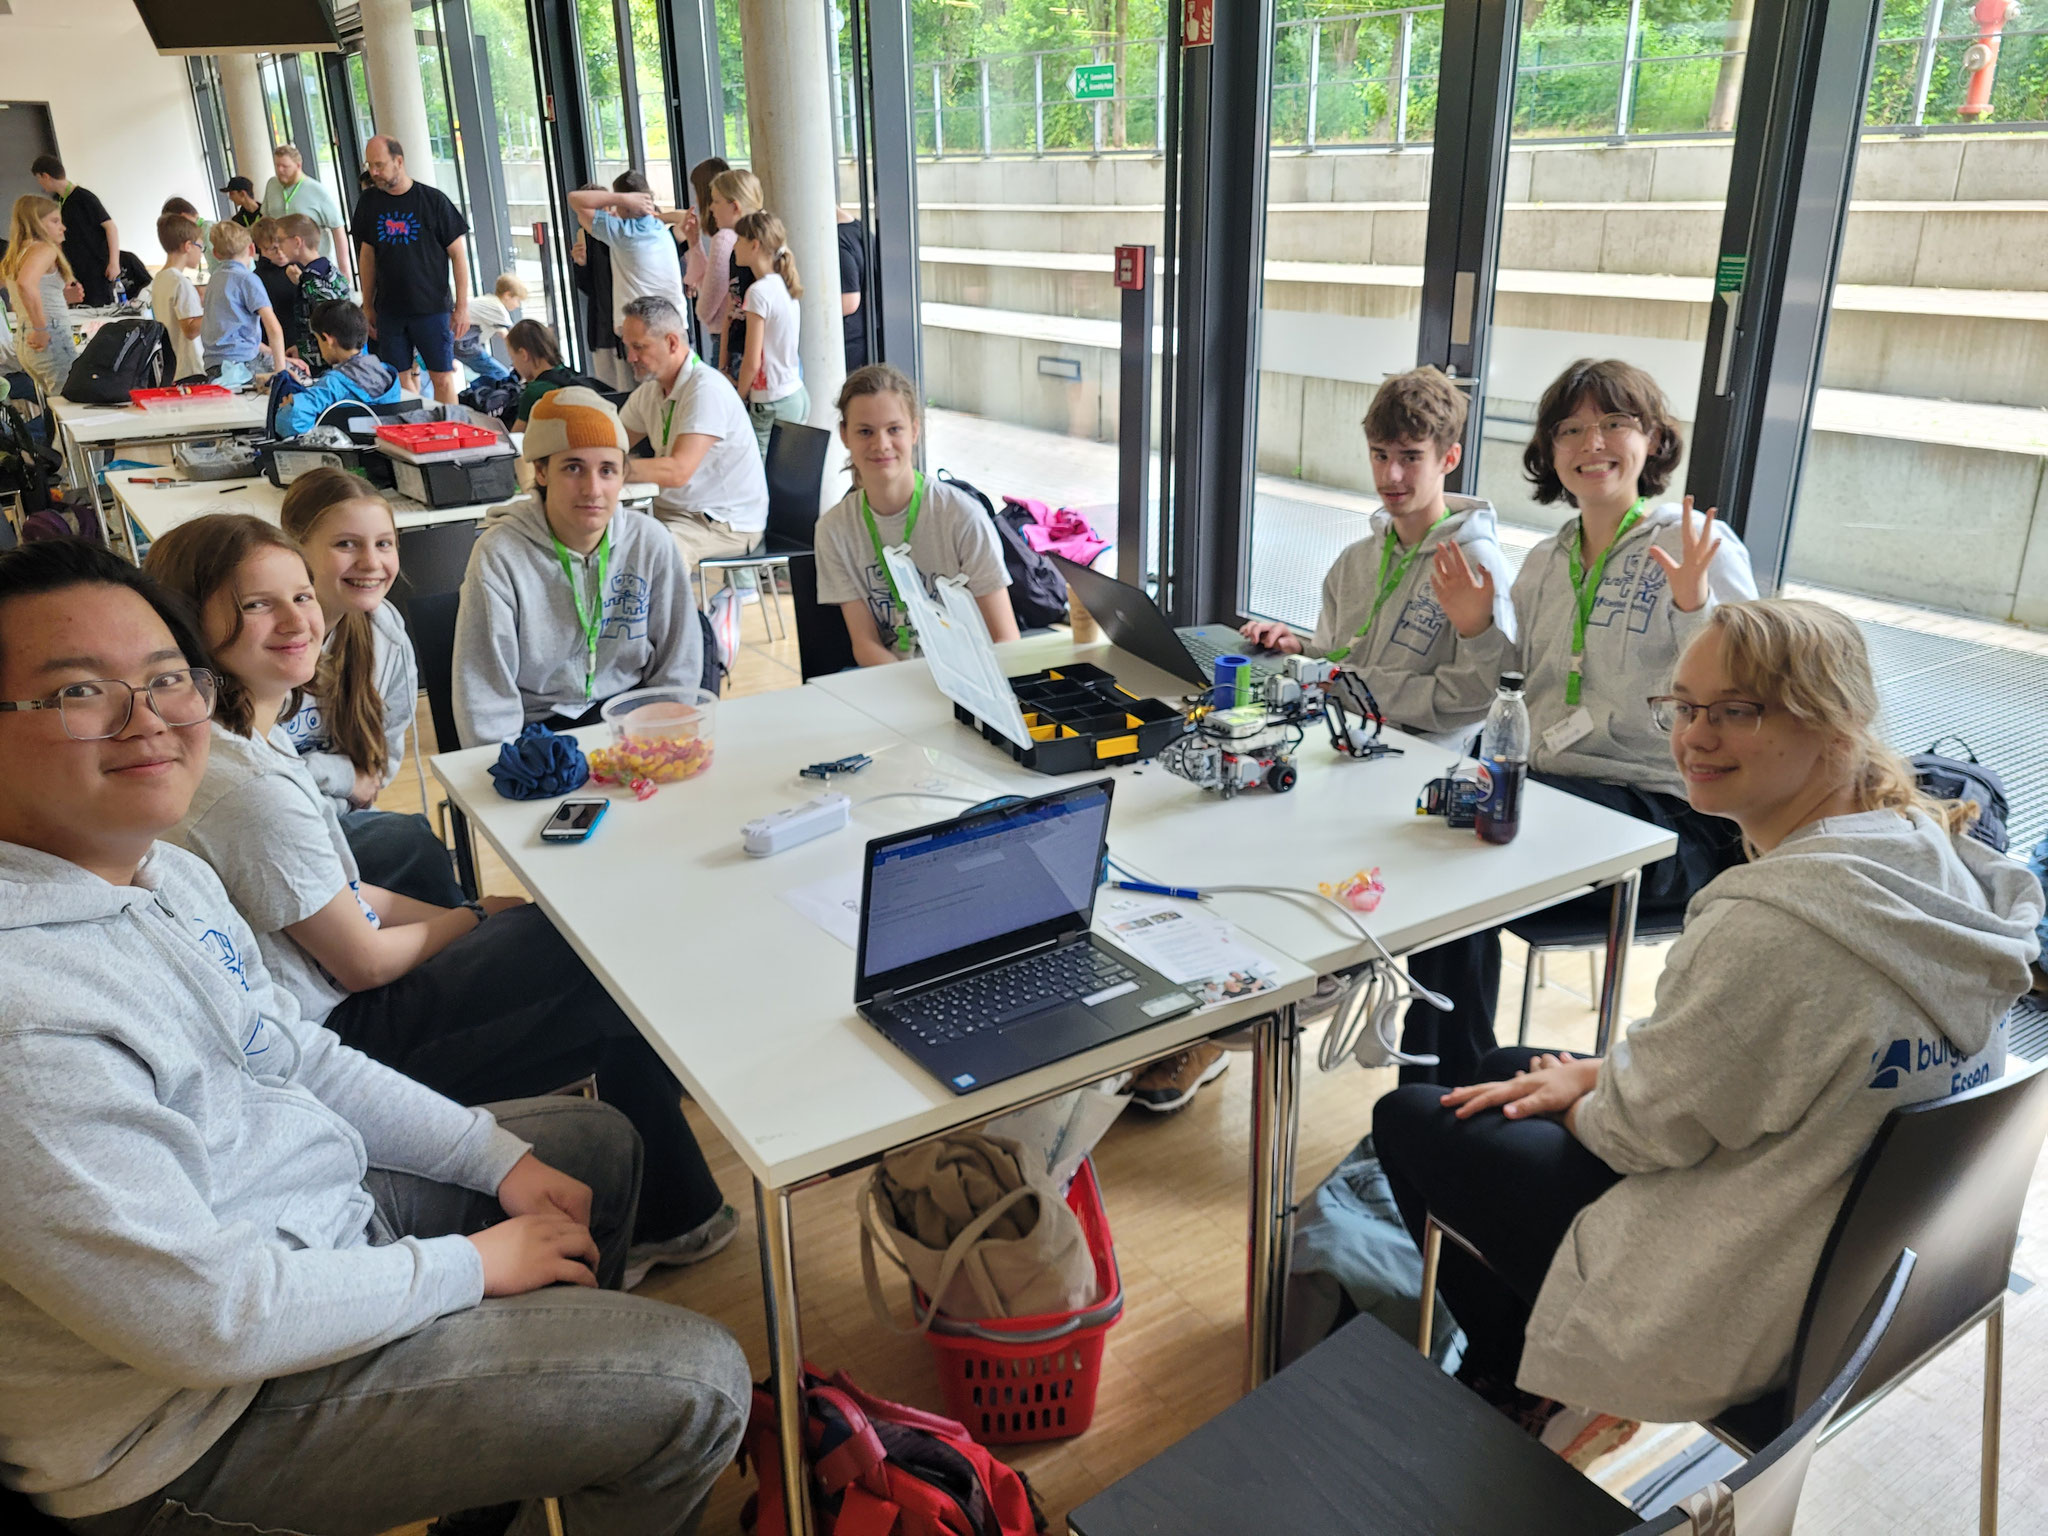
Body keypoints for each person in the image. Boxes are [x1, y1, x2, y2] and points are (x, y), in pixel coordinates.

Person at [0, 536, 749, 1532]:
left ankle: (498, 1476)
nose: (149, 720)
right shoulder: (25, 1016)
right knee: (696, 1389)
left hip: (294, 1221)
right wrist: (469, 1268)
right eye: (79, 692)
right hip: (185, 1425)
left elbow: (293, 1055)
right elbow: (207, 1318)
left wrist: (491, 1155)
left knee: (587, 1151)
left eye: (166, 678)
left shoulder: (160, 873)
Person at [1373, 597, 2042, 1450]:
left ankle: (1525, 1383)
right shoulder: (1930, 854)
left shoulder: (1774, 927)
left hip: (1759, 1300)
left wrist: (1596, 1092)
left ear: (1834, 726)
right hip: (1899, 1270)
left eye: (1736, 711)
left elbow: (1636, 1133)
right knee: (1508, 1068)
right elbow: (1772, 1061)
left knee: (1414, 1116)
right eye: (1684, 707)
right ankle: (1537, 1371)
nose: (1694, 737)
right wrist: (1594, 1076)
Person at [146, 512, 735, 1283]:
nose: (297, 619)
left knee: (502, 909)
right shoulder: (249, 789)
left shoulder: (248, 731)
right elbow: (361, 962)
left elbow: (341, 890)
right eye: (258, 605)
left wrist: (472, 920)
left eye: (301, 595)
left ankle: (672, 1194)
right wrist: (474, 918)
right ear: (190, 622)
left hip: (312, 994)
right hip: (329, 1037)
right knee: (581, 954)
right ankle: (667, 1202)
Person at [1405, 358, 1759, 1089]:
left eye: (1614, 423)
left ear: (1653, 439)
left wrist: (1695, 609)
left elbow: (1747, 695)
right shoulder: (1546, 560)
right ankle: (1445, 1097)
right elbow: (1515, 685)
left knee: (1470, 845)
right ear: (1550, 450)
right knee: (1444, 827)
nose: (1591, 443)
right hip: (1551, 799)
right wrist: (1476, 628)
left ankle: (1444, 1096)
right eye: (1570, 429)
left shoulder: (1696, 546)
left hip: (1671, 815)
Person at [1240, 367, 1515, 749]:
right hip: (1337, 737)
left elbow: (1475, 697)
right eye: (1380, 455)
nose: (1391, 475)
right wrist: (1301, 652)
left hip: (1421, 756)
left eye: (1411, 457)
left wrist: (1346, 685)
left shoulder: (1476, 566)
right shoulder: (1354, 560)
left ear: (1449, 459)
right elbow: (1339, 660)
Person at [453, 387, 704, 746]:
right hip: (537, 730)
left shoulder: (650, 543)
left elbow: (678, 663)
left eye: (608, 470)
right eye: (573, 468)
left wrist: (666, 737)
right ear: (541, 471)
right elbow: (484, 692)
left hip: (633, 719)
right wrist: (504, 763)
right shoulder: (500, 555)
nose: (593, 489)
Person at [276, 466, 464, 909]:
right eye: (346, 544)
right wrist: (340, 775)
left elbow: (377, 770)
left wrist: (345, 783)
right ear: (295, 548)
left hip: (342, 821)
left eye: (384, 544)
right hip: (275, 829)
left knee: (414, 852)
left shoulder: (385, 635)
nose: (371, 562)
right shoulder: (264, 639)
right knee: (412, 847)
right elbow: (253, 785)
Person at [819, 363, 1018, 667]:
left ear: (914, 430)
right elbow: (865, 643)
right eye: (865, 431)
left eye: (894, 429)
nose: (881, 444)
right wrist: (905, 688)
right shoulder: (833, 529)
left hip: (972, 675)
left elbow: (1005, 639)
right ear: (845, 435)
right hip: (891, 677)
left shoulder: (962, 517)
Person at [616, 295, 769, 584]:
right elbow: (611, 442)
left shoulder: (706, 389)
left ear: (672, 343)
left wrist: (606, 470)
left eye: (639, 347)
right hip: (674, 512)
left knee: (653, 550)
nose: (630, 357)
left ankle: (687, 614)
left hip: (722, 524)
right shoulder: (652, 390)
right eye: (628, 347)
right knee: (604, 536)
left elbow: (677, 471)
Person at [351, 135, 471, 405]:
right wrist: (367, 305)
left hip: (432, 307)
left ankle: (450, 425)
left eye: (380, 165)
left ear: (399, 161)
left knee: (442, 377)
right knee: (398, 379)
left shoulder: (433, 201)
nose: (374, 172)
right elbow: (367, 258)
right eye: (370, 165)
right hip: (389, 309)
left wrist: (462, 306)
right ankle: (414, 425)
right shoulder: (369, 203)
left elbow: (458, 256)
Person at [731, 210, 809, 456]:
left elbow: (752, 361)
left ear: (754, 245)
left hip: (771, 401)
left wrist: (738, 398)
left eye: (739, 239)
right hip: (795, 394)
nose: (734, 246)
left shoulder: (758, 293)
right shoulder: (785, 284)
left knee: (760, 475)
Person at [571, 173, 687, 338]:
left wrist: (621, 199)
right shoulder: (660, 229)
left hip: (643, 329)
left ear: (625, 204)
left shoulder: (623, 232)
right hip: (675, 323)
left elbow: (575, 199)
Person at [271, 300, 402, 441]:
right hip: (381, 448)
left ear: (328, 340)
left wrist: (289, 406)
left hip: (341, 451)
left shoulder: (333, 383)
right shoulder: (387, 375)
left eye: (317, 340)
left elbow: (291, 424)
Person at [1, 195, 83, 398]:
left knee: (56, 400)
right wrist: (40, 328)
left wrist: (61, 297)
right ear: (36, 223)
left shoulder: (16, 255)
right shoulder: (44, 249)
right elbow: (26, 284)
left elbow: (21, 293)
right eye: (55, 221)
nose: (62, 227)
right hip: (49, 335)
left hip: (25, 340)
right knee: (68, 400)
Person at [200, 220, 292, 385]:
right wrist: (281, 372)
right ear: (251, 249)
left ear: (216, 254)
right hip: (243, 364)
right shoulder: (248, 279)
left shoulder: (214, 280)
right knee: (297, 376)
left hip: (214, 365)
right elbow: (274, 329)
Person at [30, 155, 117, 306]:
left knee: (99, 306)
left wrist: (114, 262)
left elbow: (110, 227)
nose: (39, 183)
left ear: (46, 176)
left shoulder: (84, 197)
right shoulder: (57, 200)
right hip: (75, 267)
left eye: (38, 178)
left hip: (95, 266)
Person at [259, 142, 351, 284]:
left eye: (285, 166)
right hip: (281, 263)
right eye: (277, 165)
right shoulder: (272, 185)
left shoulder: (316, 190)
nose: (280, 170)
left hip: (311, 263)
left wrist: (344, 269)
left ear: (298, 165)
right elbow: (265, 220)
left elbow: (337, 228)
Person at [707, 167, 764, 388]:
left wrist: (741, 390)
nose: (711, 207)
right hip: (738, 357)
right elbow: (731, 309)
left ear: (735, 206)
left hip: (755, 367)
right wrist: (723, 365)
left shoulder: (756, 253)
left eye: (716, 201)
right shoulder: (737, 250)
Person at [569, 183, 626, 390]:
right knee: (607, 389)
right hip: (600, 326)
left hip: (623, 324)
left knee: (629, 388)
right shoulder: (585, 236)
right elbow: (589, 288)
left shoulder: (620, 233)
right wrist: (580, 265)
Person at [504, 317, 607, 431]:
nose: (514, 365)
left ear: (524, 354)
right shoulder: (574, 376)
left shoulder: (533, 392)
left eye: (512, 358)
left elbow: (516, 436)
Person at [679, 156, 733, 370]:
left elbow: (705, 308)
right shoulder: (732, 236)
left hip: (727, 339)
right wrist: (694, 242)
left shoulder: (724, 238)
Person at [276, 211, 350, 367]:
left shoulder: (313, 282)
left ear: (297, 241)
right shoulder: (329, 269)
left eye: (280, 240)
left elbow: (330, 326)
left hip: (326, 363)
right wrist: (302, 348)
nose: (278, 246)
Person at [149, 213, 207, 383]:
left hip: (173, 367)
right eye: (200, 247)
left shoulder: (160, 279)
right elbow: (190, 330)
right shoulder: (180, 282)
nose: (201, 254)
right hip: (192, 367)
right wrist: (216, 309)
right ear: (188, 246)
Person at [249, 218, 299, 334]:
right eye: (273, 249)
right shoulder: (256, 279)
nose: (280, 253)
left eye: (282, 246)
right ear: (260, 248)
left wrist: (301, 283)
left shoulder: (299, 266)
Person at [838, 204, 869, 374]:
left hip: (850, 344)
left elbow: (849, 302)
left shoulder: (839, 241)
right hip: (863, 337)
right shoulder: (858, 228)